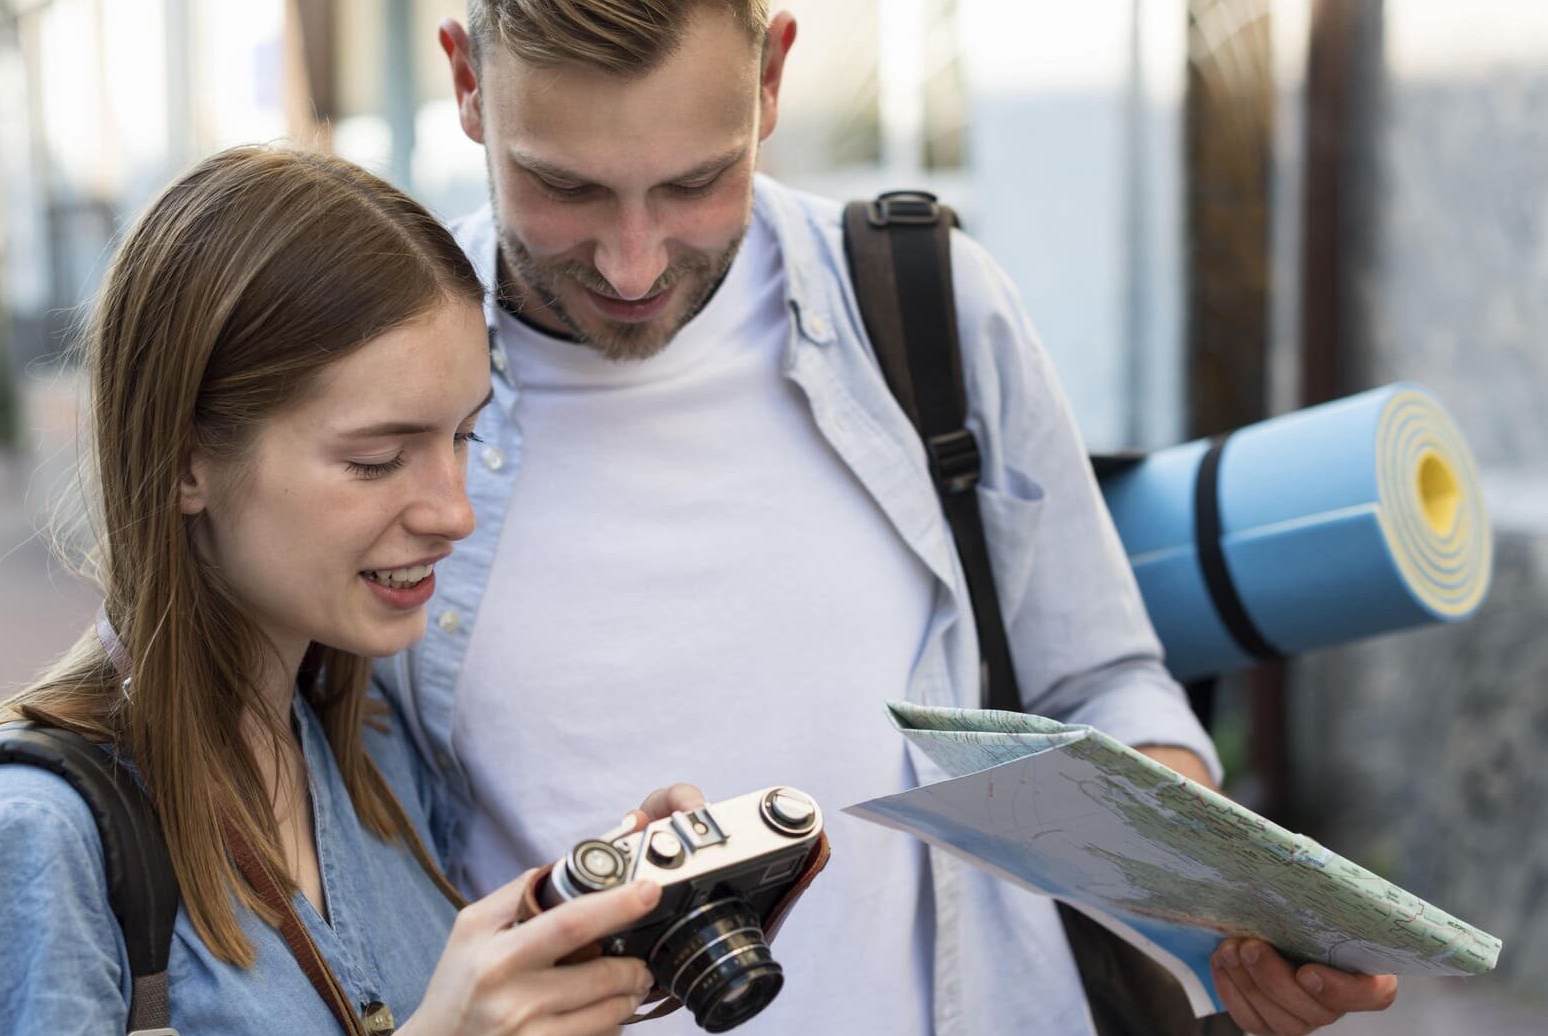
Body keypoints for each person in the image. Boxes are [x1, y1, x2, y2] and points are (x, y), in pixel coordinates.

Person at [371, 3, 1402, 1035]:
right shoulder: (368, 388)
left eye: (694, 182)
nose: (631, 264)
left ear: (772, 75)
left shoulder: (924, 304)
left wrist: (1223, 911)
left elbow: (1096, 681)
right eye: (565, 187)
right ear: (466, 84)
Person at [0, 145, 681, 1036]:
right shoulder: (29, 842)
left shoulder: (372, 754)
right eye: (376, 461)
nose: (454, 513)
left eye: (464, 439)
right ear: (184, 461)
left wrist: (585, 932)